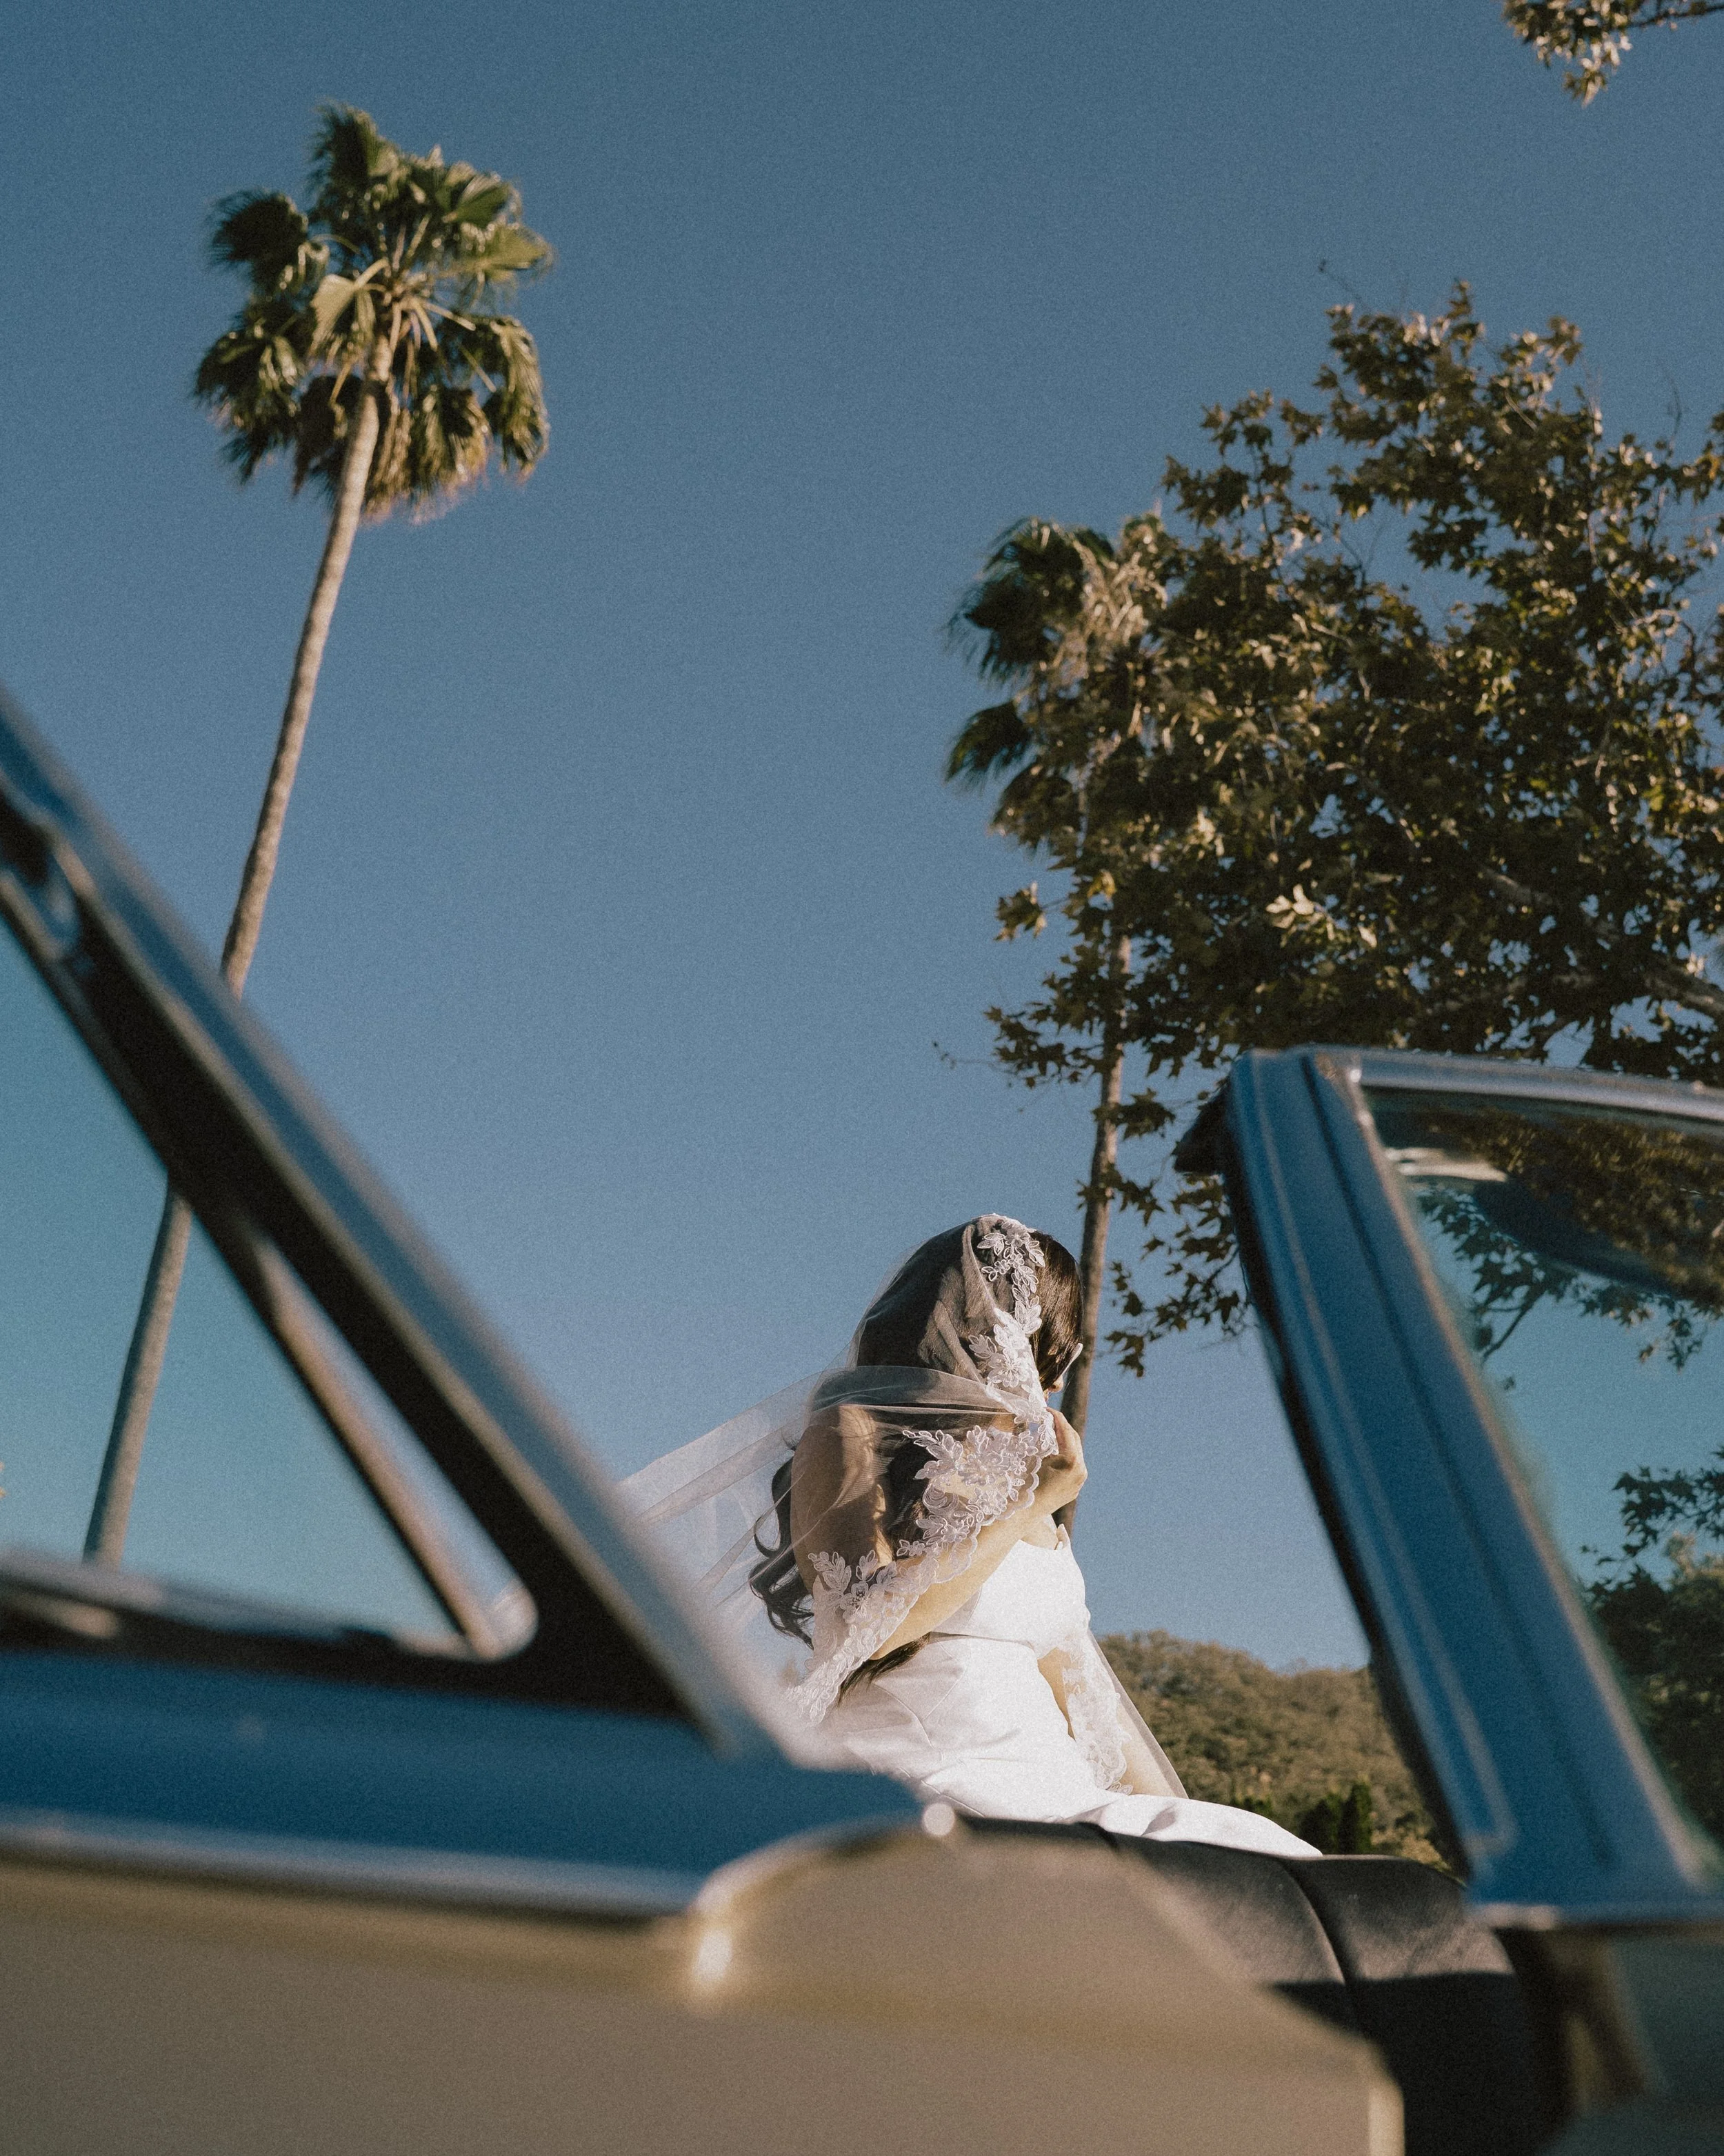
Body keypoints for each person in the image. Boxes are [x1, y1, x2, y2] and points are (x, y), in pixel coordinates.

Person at [651, 1212, 1314, 1855]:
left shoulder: (1024, 1473)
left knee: (1248, 1858)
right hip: (929, 1779)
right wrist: (1028, 1509)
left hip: (1056, 1788)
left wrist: (1184, 1823)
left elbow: (1082, 1688)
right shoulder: (850, 1432)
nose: (1054, 1382)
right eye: (1054, 1351)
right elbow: (864, 1623)